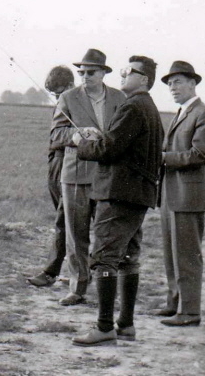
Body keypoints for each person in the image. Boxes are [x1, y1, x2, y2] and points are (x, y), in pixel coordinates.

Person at [71, 55, 164, 346]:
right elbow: (122, 146)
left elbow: (109, 150)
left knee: (104, 258)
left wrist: (81, 143)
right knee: (128, 259)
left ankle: (104, 327)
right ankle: (125, 325)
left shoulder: (134, 106)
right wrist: (102, 139)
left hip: (119, 196)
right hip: (137, 196)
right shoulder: (147, 107)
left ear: (144, 80)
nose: (122, 75)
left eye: (128, 72)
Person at [51, 49, 126, 306]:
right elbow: (55, 136)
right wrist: (76, 135)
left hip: (109, 175)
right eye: (81, 72)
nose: (85, 76)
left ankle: (107, 287)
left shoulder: (120, 98)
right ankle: (78, 287)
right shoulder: (68, 98)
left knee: (108, 235)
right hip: (75, 175)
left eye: (91, 72)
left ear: (104, 73)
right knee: (76, 233)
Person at [156, 61, 205, 327]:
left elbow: (202, 154)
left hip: (188, 196)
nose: (173, 88)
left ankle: (190, 311)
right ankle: (175, 302)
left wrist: (163, 159)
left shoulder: (202, 113)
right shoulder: (182, 113)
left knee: (187, 254)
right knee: (171, 251)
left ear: (193, 83)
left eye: (178, 82)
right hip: (172, 195)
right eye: (170, 84)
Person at [28, 66, 75, 287]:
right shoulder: (61, 105)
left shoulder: (78, 105)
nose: (57, 97)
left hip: (71, 165)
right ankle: (77, 270)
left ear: (70, 86)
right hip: (55, 163)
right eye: (54, 93)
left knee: (64, 220)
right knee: (64, 218)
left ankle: (51, 272)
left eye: (59, 91)